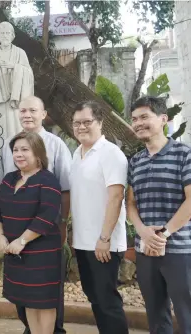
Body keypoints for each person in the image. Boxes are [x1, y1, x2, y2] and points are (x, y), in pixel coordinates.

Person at [1, 96, 71, 334]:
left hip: (41, 238)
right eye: (23, 110)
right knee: (25, 297)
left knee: (46, 296)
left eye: (33, 110)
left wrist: (62, 226)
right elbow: (0, 200)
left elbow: (63, 193)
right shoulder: (9, 150)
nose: (27, 114)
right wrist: (1, 234)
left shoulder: (56, 147)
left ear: (43, 113)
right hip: (14, 242)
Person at [126, 96, 191, 334]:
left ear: (163, 119)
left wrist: (163, 233)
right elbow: (130, 204)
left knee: (187, 312)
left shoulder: (184, 154)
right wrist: (144, 232)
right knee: (155, 314)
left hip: (180, 250)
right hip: (146, 250)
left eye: (145, 117)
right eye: (134, 119)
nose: (138, 123)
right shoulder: (135, 161)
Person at [0, 131, 62, 334]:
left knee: (44, 302)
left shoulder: (48, 181)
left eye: (25, 149)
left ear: (38, 152)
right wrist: (0, 235)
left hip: (41, 254)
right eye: (15, 150)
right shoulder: (9, 179)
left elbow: (46, 217)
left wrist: (21, 241)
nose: (19, 154)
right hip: (15, 253)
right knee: (28, 301)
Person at [69, 101, 129, 334]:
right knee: (94, 297)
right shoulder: (77, 153)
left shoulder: (111, 154)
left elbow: (116, 198)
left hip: (104, 243)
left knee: (107, 301)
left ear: (100, 123)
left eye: (87, 122)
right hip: (83, 242)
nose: (81, 127)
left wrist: (104, 238)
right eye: (77, 123)